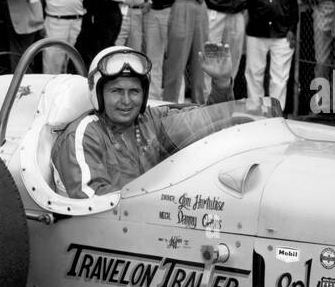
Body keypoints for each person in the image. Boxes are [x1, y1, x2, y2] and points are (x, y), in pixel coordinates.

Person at [52, 45, 239, 199]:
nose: (126, 101)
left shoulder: (153, 120)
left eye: (134, 91)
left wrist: (221, 82)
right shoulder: (84, 136)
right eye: (116, 91)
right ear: (98, 93)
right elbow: (93, 203)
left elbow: (210, 122)